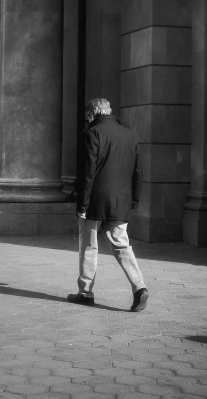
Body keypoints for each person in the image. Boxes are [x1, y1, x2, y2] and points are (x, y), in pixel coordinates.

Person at [68, 98, 148, 312]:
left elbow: (88, 174)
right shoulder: (128, 134)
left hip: (95, 199)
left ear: (92, 114)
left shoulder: (92, 134)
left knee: (88, 245)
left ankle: (85, 292)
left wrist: (82, 206)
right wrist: (134, 199)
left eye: (87, 116)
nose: (86, 120)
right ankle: (140, 287)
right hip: (120, 199)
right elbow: (138, 170)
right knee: (122, 244)